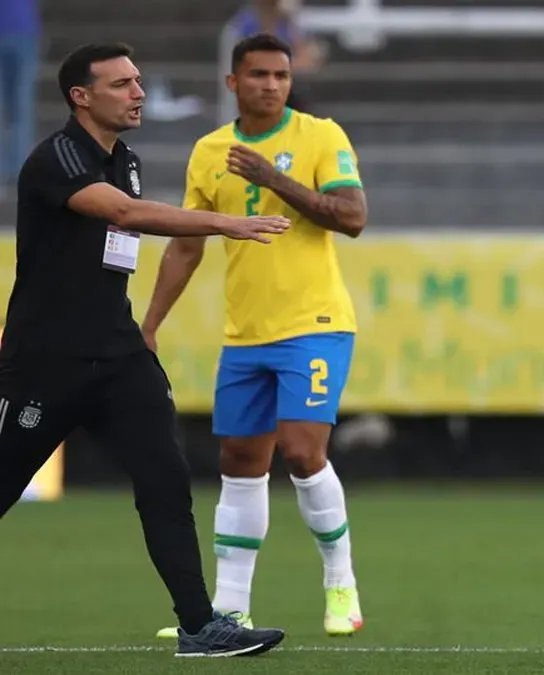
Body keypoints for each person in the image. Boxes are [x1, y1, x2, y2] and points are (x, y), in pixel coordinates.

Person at [0, 42, 289, 657]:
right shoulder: (56, 159)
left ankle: (199, 627)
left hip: (119, 353)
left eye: (138, 81)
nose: (138, 93)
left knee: (165, 477)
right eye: (122, 84)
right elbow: (126, 215)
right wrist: (225, 222)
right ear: (81, 97)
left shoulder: (124, 157)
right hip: (48, 358)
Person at [143, 33, 367, 639]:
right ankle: (232, 608)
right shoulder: (209, 151)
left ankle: (340, 582)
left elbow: (352, 218)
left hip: (315, 324)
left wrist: (275, 178)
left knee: (301, 450)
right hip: (246, 334)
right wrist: (151, 323)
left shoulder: (320, 135)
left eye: (281, 76)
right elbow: (187, 245)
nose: (271, 85)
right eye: (259, 75)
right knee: (240, 464)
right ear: (232, 83)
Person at [0, 0, 40, 191]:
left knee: (21, 108)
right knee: (21, 108)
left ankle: (15, 170)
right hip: (24, 31)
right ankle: (16, 170)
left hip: (24, 32)